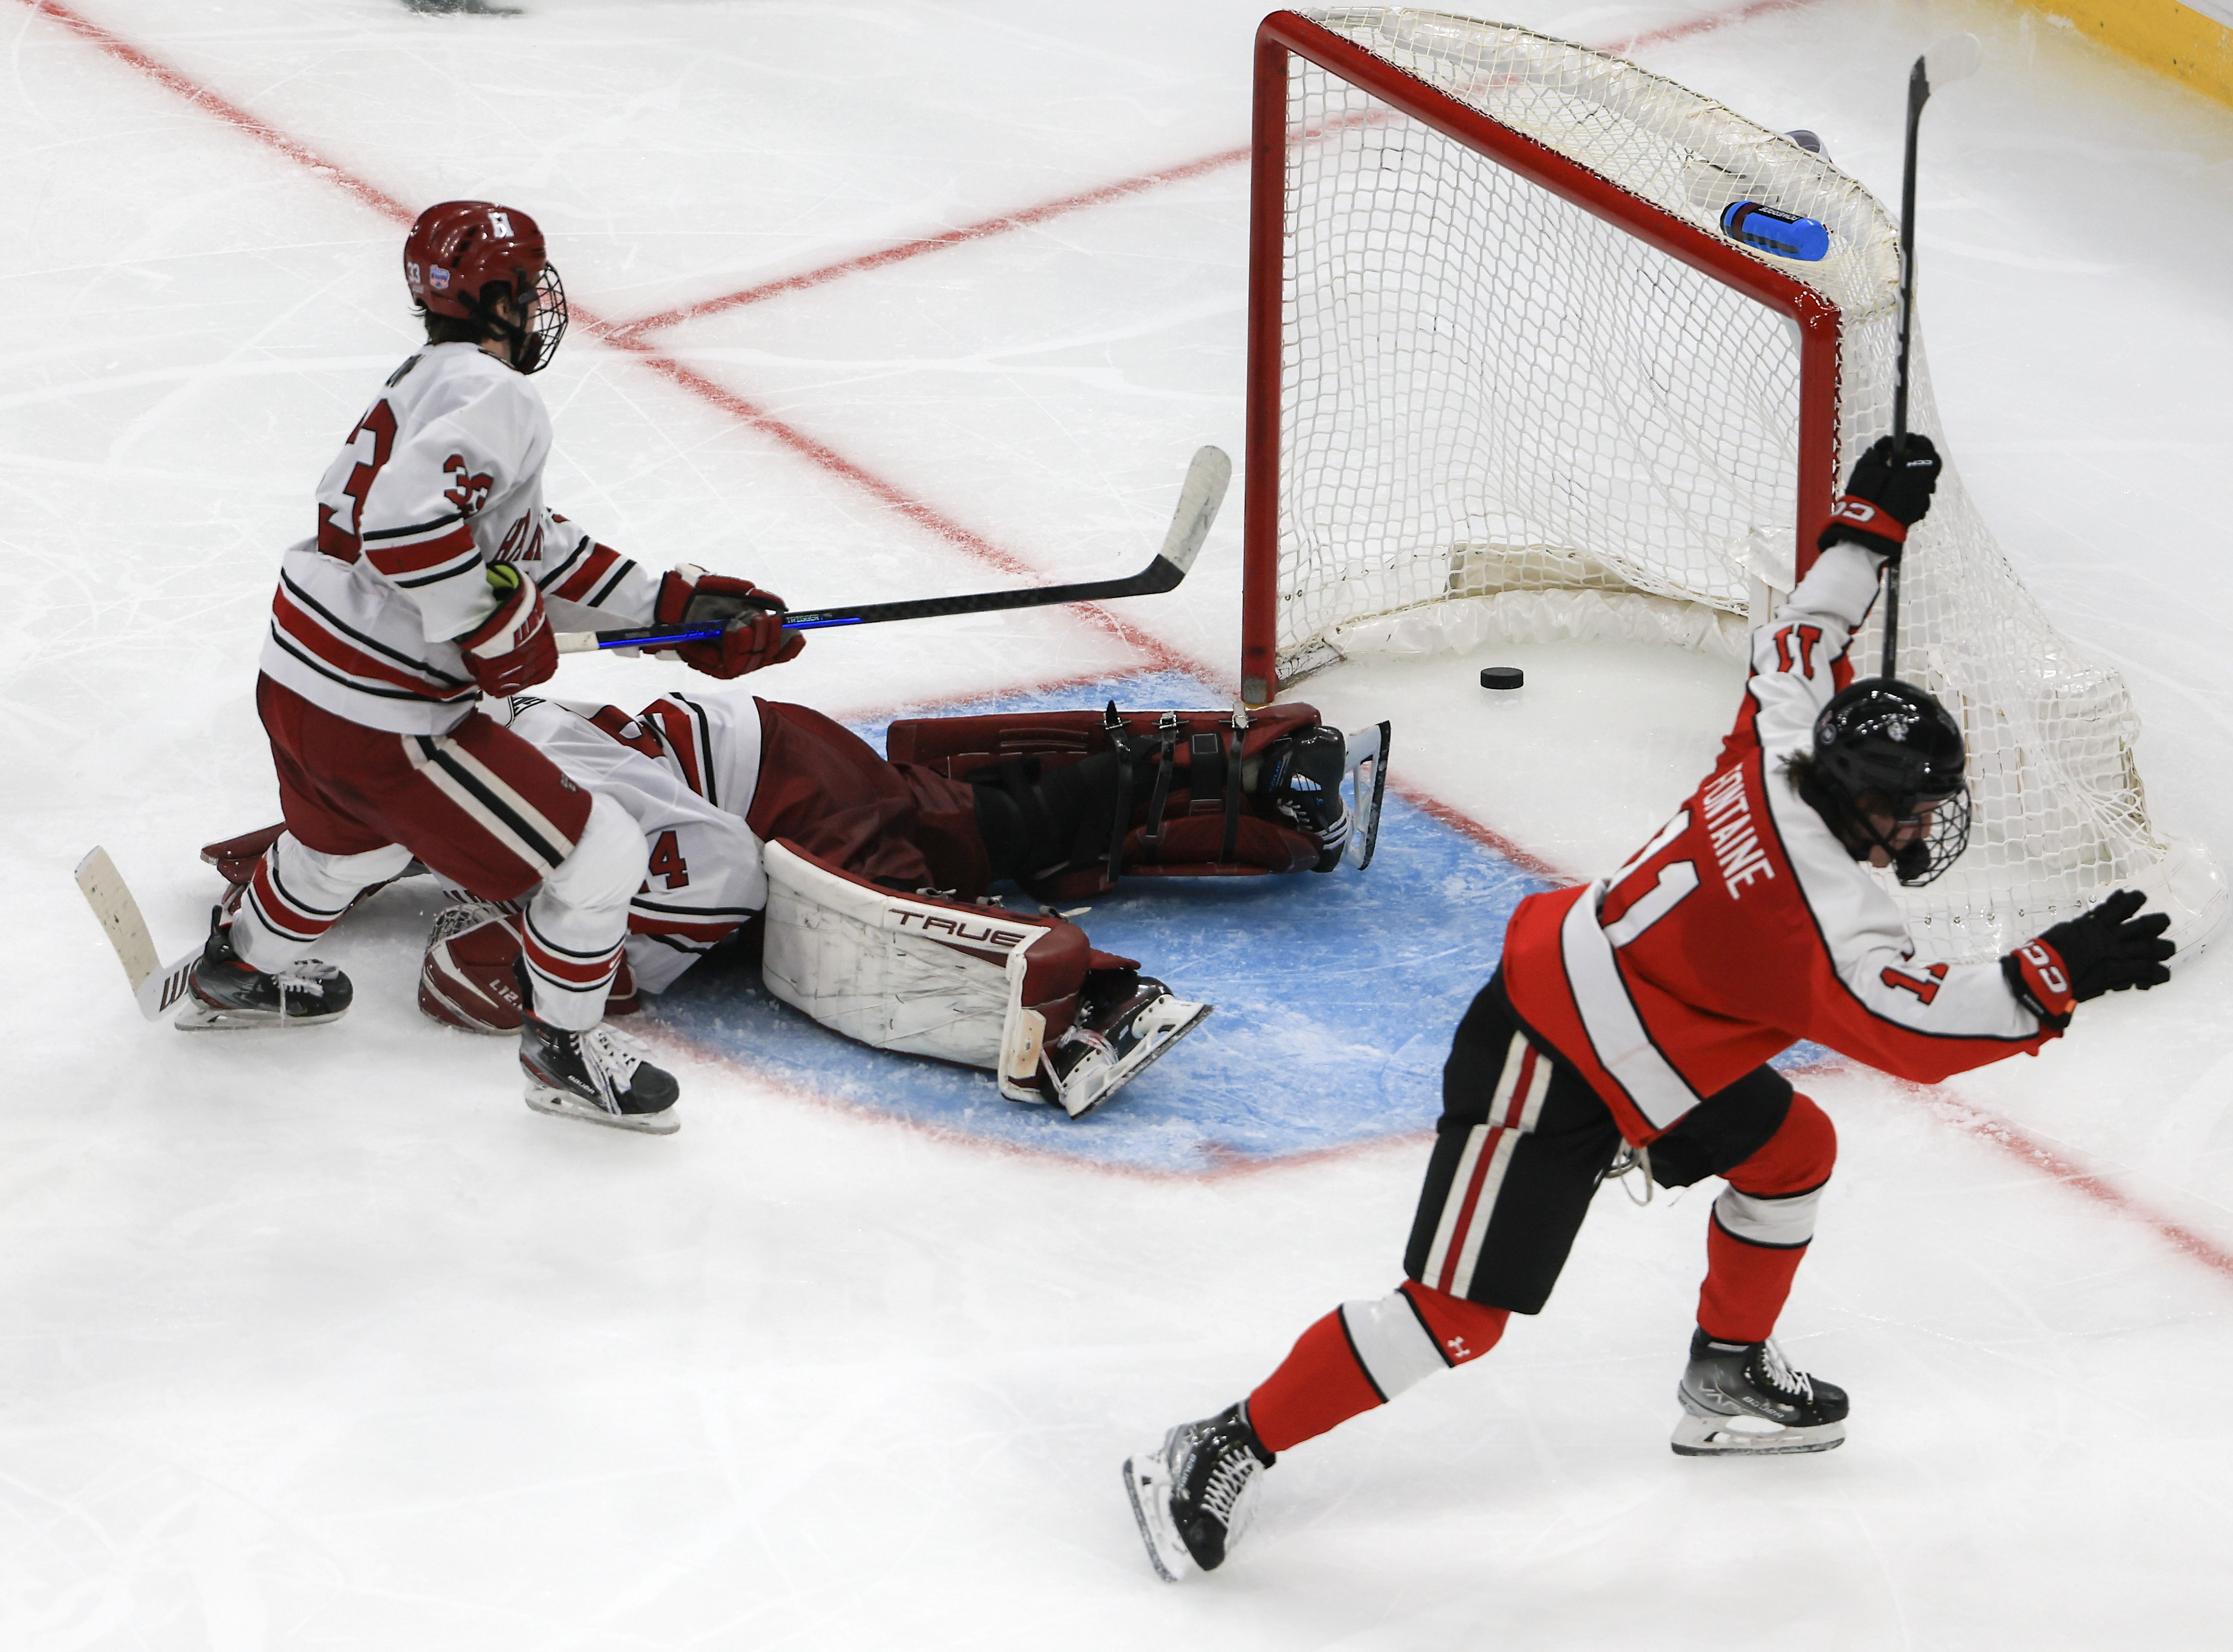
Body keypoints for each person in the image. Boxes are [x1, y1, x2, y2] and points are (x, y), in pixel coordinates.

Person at [1120, 433, 2178, 1581]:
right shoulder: (1819, 924)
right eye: (1917, 811)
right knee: (1453, 1320)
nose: (1928, 831)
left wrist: (1869, 525)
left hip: (1642, 1025)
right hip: (1549, 1056)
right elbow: (1921, 1030)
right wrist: (2056, 972)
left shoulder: (1777, 743)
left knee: (1790, 1150)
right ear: (1866, 804)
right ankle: (1217, 1443)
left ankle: (1725, 1375)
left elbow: (1799, 637)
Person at [180, 200, 803, 1138]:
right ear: (500, 296)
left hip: (300, 679)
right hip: (384, 713)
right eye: (531, 283)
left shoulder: (430, 379)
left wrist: (668, 605)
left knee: (350, 846)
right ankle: (563, 1054)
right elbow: (407, 528)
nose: (542, 302)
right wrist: (492, 623)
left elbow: (525, 540)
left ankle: (237, 971)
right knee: (599, 855)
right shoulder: (497, 394)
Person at [202, 689, 1390, 1120]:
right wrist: (278, 874)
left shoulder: (562, 807)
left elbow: (711, 873)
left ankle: (1090, 996)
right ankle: (1259, 777)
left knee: (929, 875)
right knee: (966, 817)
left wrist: (531, 965)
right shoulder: (462, 756)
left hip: (779, 810)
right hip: (779, 759)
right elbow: (373, 821)